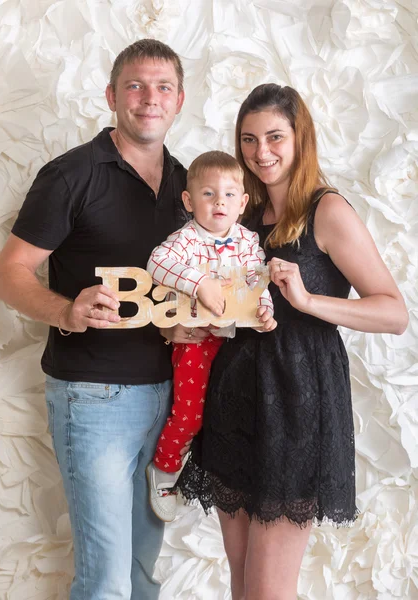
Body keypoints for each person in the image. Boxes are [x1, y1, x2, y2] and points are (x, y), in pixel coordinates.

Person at [172, 83, 409, 600]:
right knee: (241, 584)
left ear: (301, 139)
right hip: (235, 401)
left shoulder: (327, 210)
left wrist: (307, 301)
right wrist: (192, 323)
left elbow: (394, 313)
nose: (262, 153)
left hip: (297, 408)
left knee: (266, 591)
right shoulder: (242, 217)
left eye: (275, 137)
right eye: (250, 139)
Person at [0, 38, 191, 600]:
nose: (149, 98)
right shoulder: (70, 175)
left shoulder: (188, 186)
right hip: (93, 398)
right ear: (111, 96)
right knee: (105, 582)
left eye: (163, 87)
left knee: (144, 575)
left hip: (170, 399)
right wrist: (67, 311)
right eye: (135, 85)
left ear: (180, 100)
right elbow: (6, 273)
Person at [145, 150, 276, 522]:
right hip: (196, 337)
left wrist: (263, 308)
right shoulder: (186, 238)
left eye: (229, 195)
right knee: (189, 413)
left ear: (243, 202)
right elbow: (157, 262)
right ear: (188, 201)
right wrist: (199, 281)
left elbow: (256, 279)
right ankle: (165, 468)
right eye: (208, 194)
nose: (220, 202)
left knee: (229, 416)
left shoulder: (248, 240)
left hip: (235, 341)